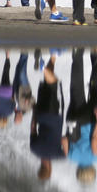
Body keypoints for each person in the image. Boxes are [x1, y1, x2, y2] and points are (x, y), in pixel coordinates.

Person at [65, 48, 97, 185]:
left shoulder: (95, 158)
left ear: (92, 172)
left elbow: (95, 139)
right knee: (76, 87)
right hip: (73, 120)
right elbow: (64, 139)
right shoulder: (71, 157)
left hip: (90, 119)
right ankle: (77, 53)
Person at [30, 52, 64, 181]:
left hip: (56, 117)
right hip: (41, 115)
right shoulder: (34, 150)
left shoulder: (59, 155)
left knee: (55, 84)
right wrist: (34, 110)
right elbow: (33, 128)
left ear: (49, 169)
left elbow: (66, 141)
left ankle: (43, 67)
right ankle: (53, 57)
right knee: (48, 84)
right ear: (40, 167)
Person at [13, 49, 34, 124]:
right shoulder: (27, 110)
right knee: (22, 73)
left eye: (16, 118)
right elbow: (33, 100)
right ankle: (25, 52)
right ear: (21, 118)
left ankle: (23, 53)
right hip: (25, 87)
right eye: (18, 118)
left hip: (16, 86)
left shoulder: (13, 109)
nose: (17, 117)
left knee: (18, 68)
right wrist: (28, 99)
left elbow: (12, 98)